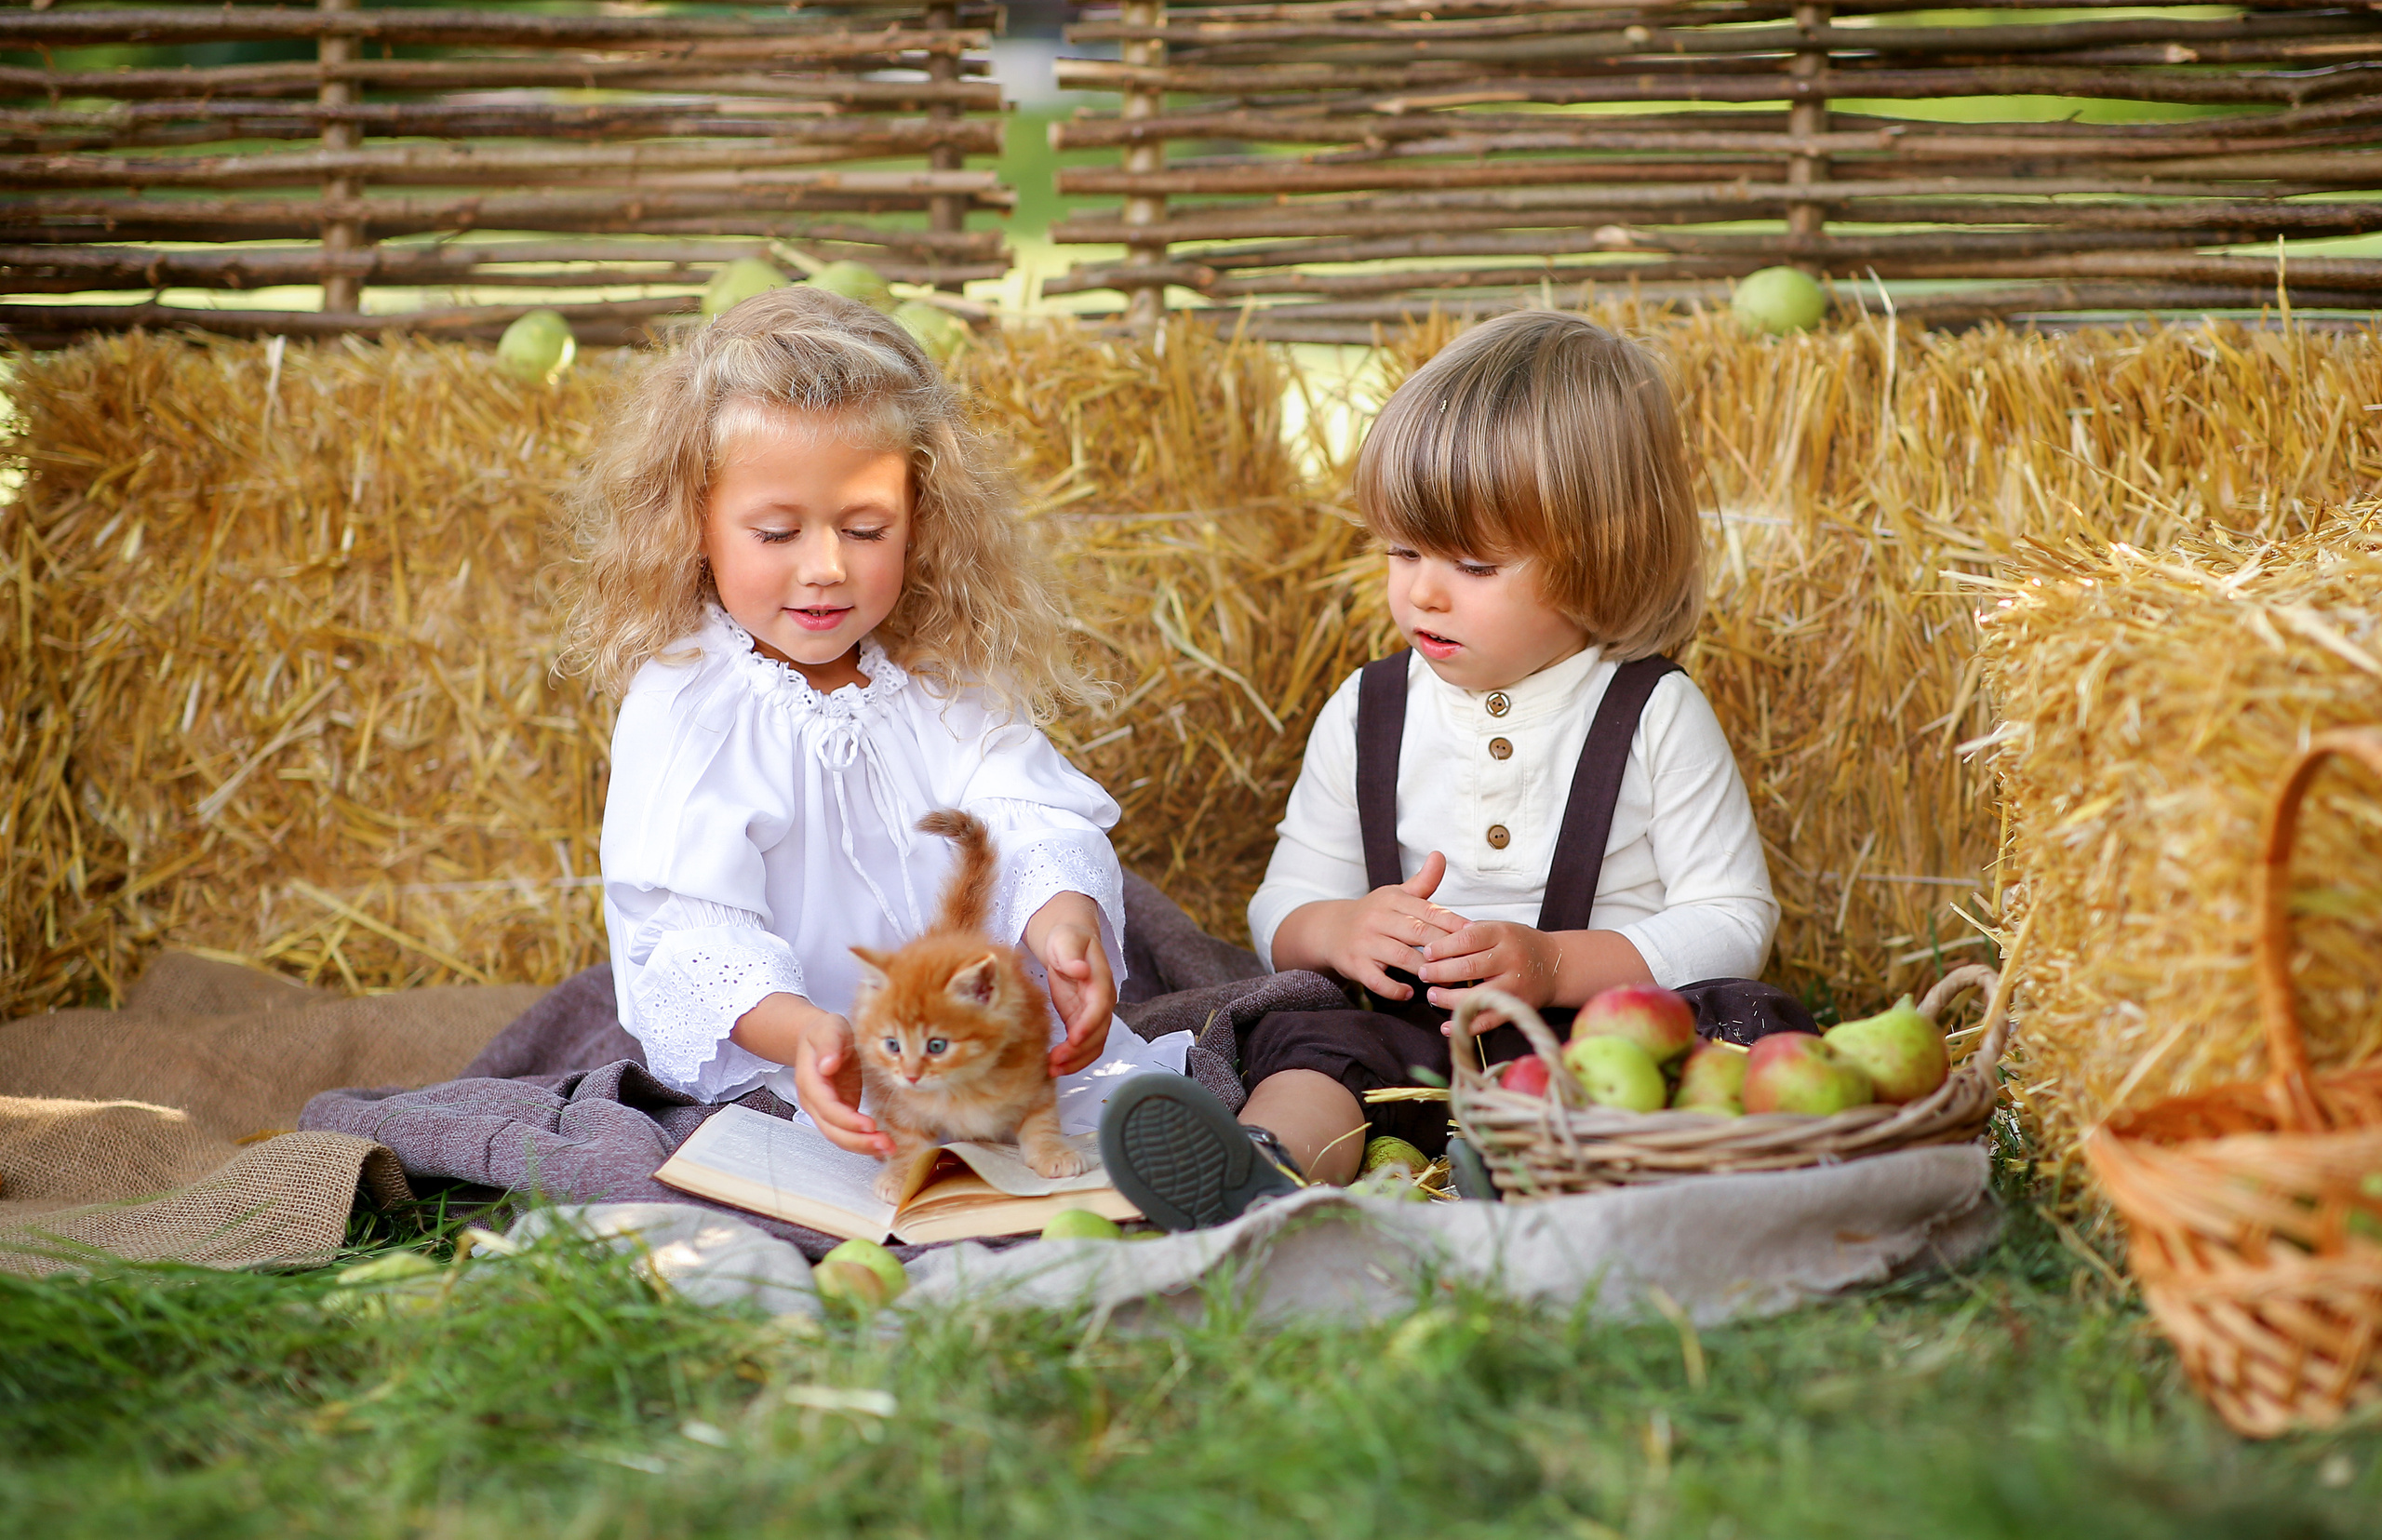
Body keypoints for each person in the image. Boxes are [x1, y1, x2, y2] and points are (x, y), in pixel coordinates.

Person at [1101, 310, 1809, 1230]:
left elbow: (1731, 918)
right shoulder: (1369, 709)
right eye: (1402, 551)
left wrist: (1553, 964)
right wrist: (1345, 928)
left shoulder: (1651, 712)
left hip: (1595, 1036)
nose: (1422, 591)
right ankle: (1266, 1172)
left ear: (1602, 556)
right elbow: (1279, 907)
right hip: (1411, 1035)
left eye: (1473, 563)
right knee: (1302, 1028)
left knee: (1746, 1015)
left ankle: (1538, 1169)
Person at [566, 288, 1184, 1158]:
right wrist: (801, 1034)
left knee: (1098, 1128)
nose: (824, 568)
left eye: (864, 528)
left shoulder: (938, 671)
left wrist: (1062, 919)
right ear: (693, 523)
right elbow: (686, 922)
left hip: (963, 1048)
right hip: (798, 1066)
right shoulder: (692, 704)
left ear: (920, 520)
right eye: (776, 532)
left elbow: (1023, 810)